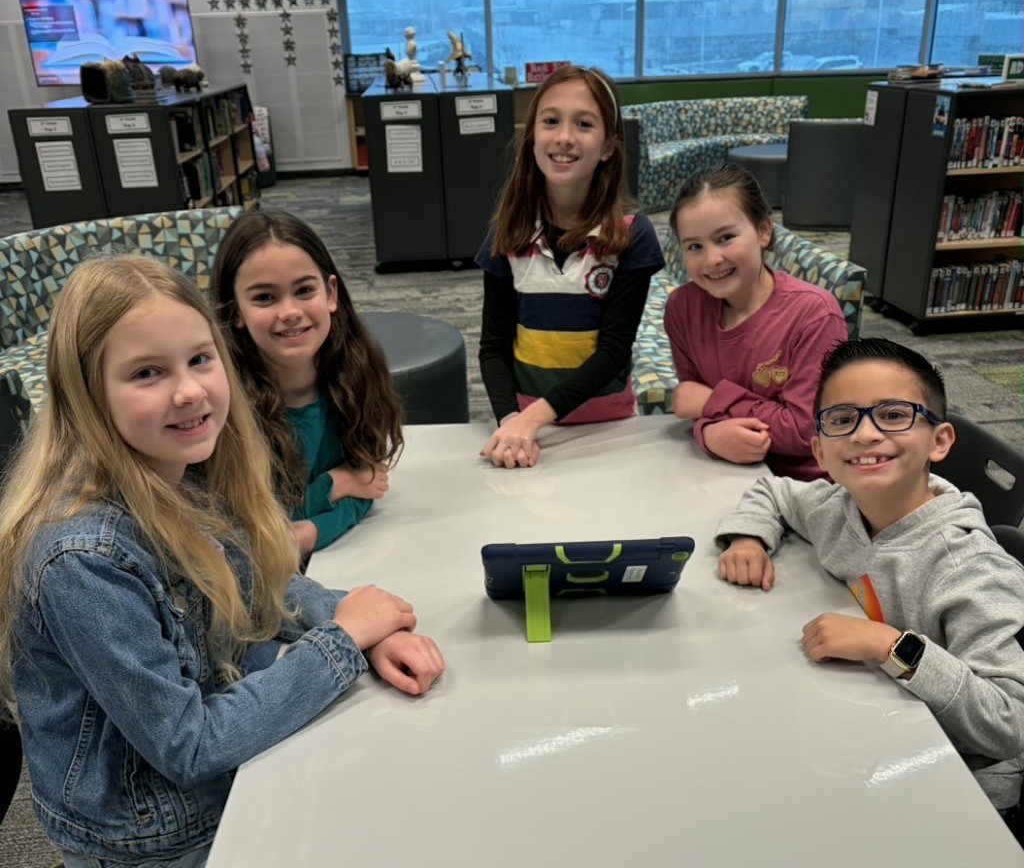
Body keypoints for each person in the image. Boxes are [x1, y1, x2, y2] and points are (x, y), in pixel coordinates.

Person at [0, 255, 444, 868]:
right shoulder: (82, 558)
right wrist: (341, 642)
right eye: (148, 372)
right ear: (87, 393)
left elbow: (260, 581)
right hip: (156, 840)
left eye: (199, 359)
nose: (188, 391)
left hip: (235, 777)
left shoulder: (189, 469)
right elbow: (188, 743)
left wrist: (350, 620)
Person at [716, 336, 1024, 811]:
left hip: (961, 783)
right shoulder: (837, 507)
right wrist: (748, 538)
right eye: (842, 420)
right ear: (819, 452)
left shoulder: (967, 566)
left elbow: (1008, 724)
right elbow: (773, 491)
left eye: (894, 415)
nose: (864, 434)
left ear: (939, 441)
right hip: (867, 729)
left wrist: (889, 646)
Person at [476, 64, 664, 469]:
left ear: (609, 147)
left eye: (583, 124)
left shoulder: (633, 235)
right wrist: (514, 422)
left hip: (608, 428)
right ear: (531, 137)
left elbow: (614, 352)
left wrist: (532, 417)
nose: (563, 137)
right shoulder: (507, 233)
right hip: (530, 433)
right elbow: (493, 347)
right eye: (550, 121)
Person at [211, 210, 403, 557]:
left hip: (344, 560)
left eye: (303, 290)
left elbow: (369, 485)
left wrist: (309, 533)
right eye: (265, 298)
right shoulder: (224, 406)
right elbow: (250, 532)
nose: (290, 311)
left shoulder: (355, 374)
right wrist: (334, 485)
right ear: (234, 310)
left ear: (330, 293)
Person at [664, 163, 847, 480]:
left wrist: (711, 401)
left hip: (804, 488)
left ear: (764, 231)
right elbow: (695, 406)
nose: (712, 260)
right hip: (721, 472)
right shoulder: (683, 308)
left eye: (725, 238)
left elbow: (806, 432)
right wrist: (708, 434)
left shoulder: (815, 315)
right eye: (695, 246)